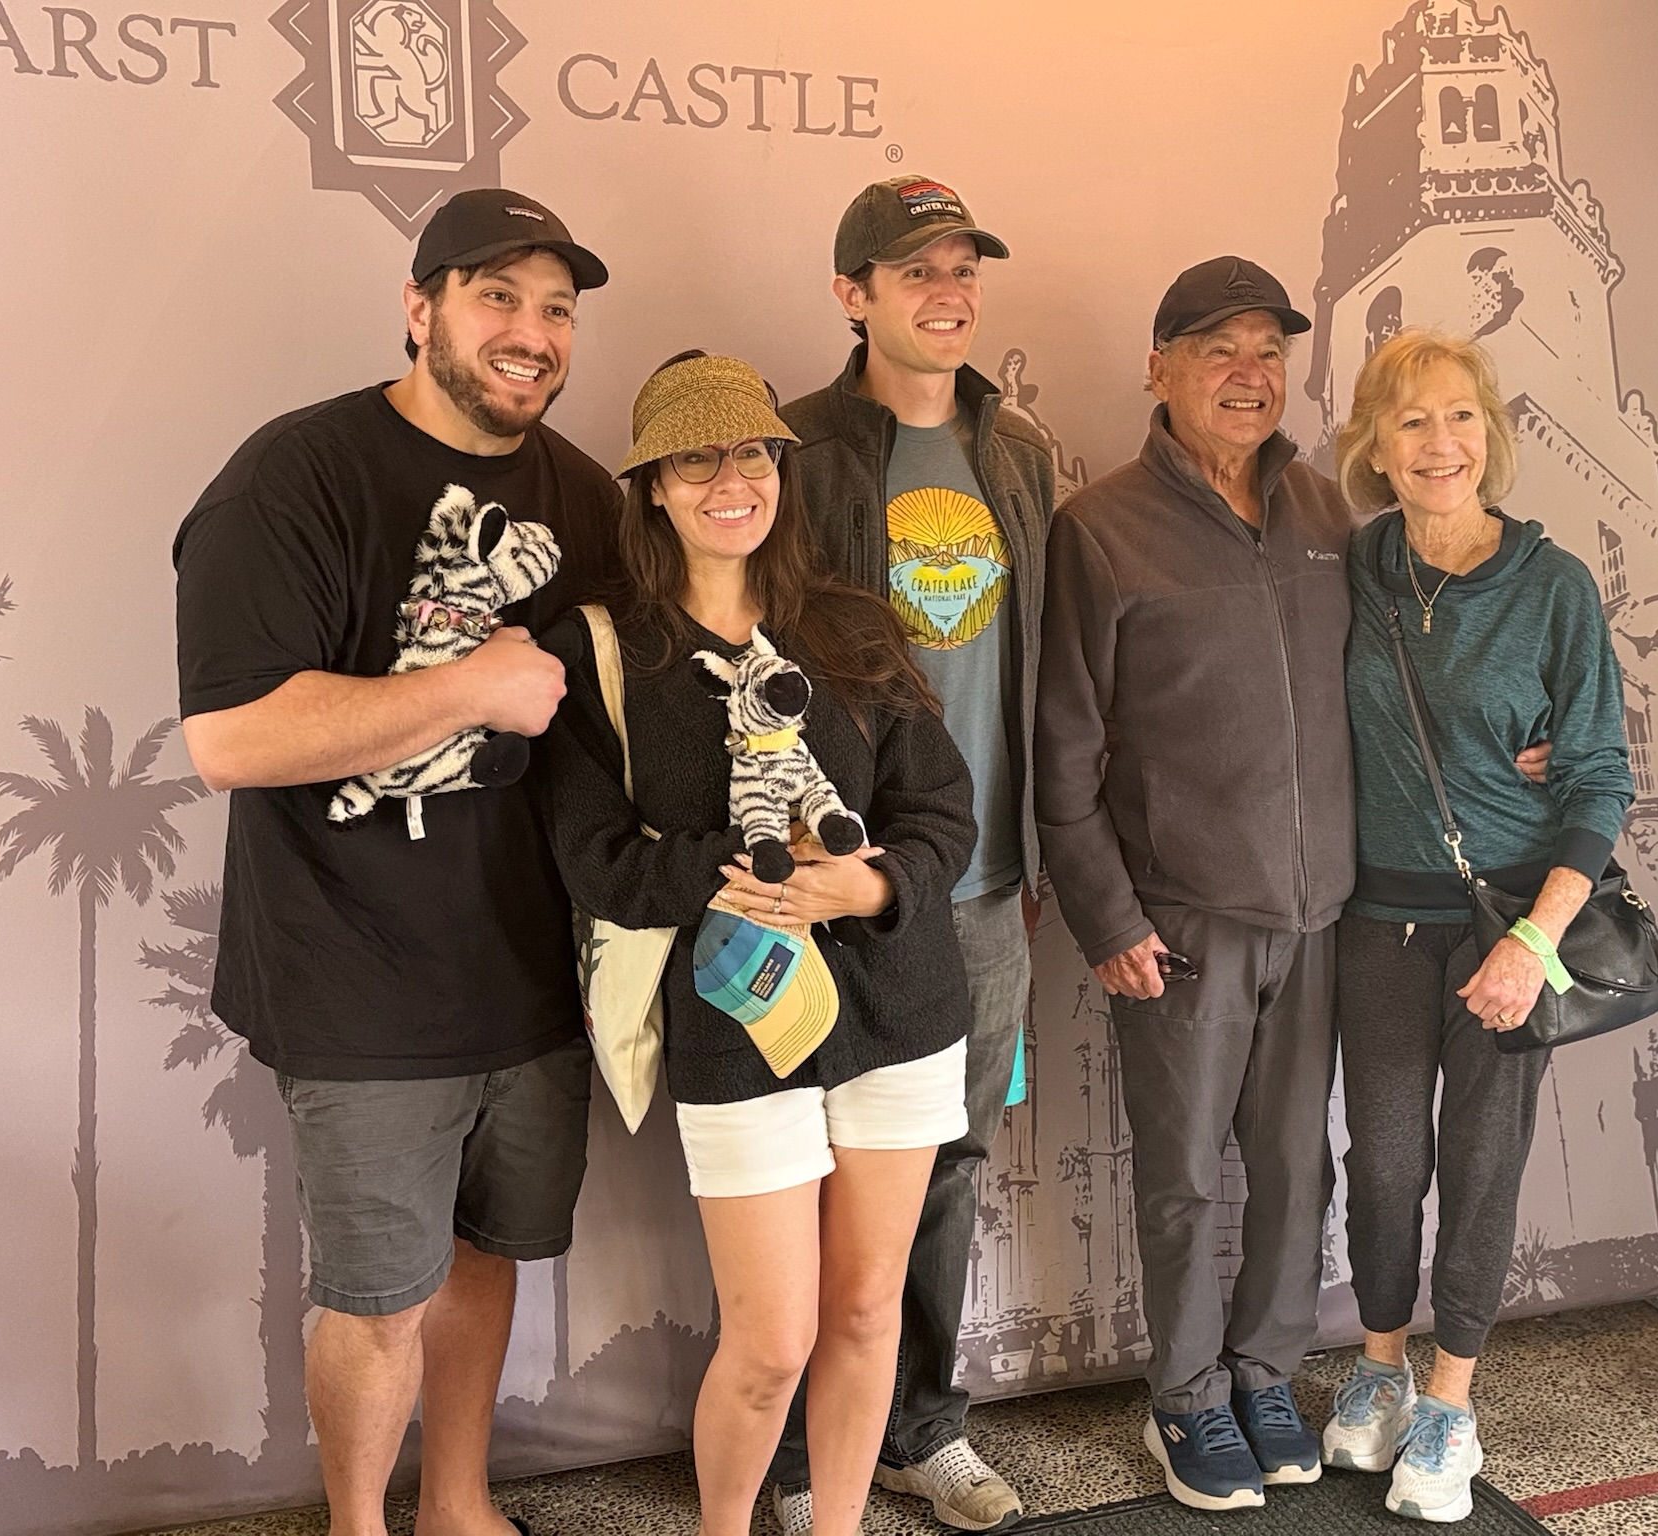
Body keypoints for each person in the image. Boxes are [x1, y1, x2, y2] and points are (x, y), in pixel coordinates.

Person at [172, 188, 618, 1536]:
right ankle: (360, 1526)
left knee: (487, 1258)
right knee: (374, 1294)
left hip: (533, 980)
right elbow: (231, 739)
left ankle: (461, 1504)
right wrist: (467, 687)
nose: (530, 333)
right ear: (418, 308)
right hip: (355, 982)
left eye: (556, 310)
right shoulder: (295, 474)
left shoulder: (586, 496)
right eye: (498, 298)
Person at [532, 352, 977, 1536]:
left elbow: (942, 810)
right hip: (733, 1014)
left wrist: (866, 886)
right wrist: (743, 871)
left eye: (752, 453)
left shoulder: (850, 623)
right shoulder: (604, 656)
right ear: (653, 486)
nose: (731, 480)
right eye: (696, 458)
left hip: (899, 1007)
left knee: (869, 1311)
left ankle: (837, 1526)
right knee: (772, 1342)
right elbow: (594, 863)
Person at [1032, 256, 1352, 1512]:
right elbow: (1064, 752)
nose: (1247, 374)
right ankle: (1181, 1397)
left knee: (1293, 1166)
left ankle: (1266, 1371)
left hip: (1319, 919)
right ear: (1157, 369)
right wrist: (1109, 917)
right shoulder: (1098, 527)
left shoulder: (1331, 514)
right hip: (1177, 929)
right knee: (1177, 1177)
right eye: (1217, 349)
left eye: (1267, 350)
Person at [767, 175, 1053, 1536]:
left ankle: (915, 1431)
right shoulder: (796, 448)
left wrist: (1044, 854)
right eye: (915, 270)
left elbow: (1045, 668)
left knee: (941, 1164)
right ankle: (781, 1448)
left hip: (986, 890)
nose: (948, 292)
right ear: (853, 294)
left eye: (962, 267)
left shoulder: (1019, 454)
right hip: (838, 881)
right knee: (795, 1165)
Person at [1321, 328, 1635, 1525]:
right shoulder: (1356, 566)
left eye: (1457, 417)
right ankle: (1381, 1371)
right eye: (1408, 423)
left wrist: (1532, 943)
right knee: (1387, 1162)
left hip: (1508, 924)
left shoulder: (1551, 588)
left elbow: (1598, 777)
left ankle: (1451, 1401)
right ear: (1373, 447)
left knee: (1483, 1166)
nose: (1437, 444)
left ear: (1488, 435)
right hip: (1377, 925)